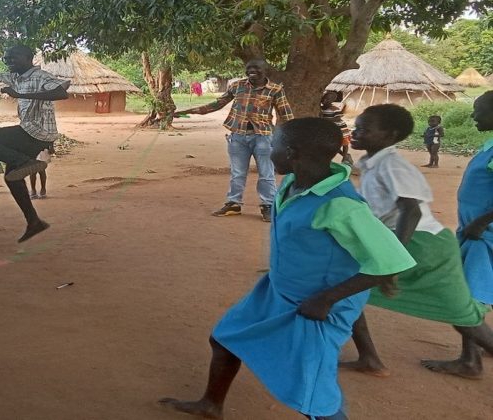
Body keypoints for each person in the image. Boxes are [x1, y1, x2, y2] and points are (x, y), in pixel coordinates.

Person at [160, 118, 415, 420]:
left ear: (292, 152)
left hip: (314, 306)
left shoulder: (340, 204)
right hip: (278, 290)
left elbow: (393, 261)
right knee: (225, 338)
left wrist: (326, 299)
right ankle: (211, 405)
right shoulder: (294, 184)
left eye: (273, 146)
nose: (269, 152)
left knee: (313, 395)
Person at [343, 104, 493, 379]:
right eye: (356, 127)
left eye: (364, 129)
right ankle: (369, 357)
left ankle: (370, 358)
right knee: (344, 287)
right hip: (416, 243)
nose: (356, 132)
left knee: (463, 312)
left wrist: (393, 261)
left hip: (422, 244)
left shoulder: (393, 165)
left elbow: (410, 210)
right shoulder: (375, 164)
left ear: (390, 134)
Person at [0, 45, 70, 243]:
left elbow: (60, 93)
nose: (8, 60)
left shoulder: (41, 77)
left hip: (36, 131)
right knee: (12, 178)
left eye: (13, 57)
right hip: (30, 131)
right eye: (6, 58)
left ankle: (24, 161)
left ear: (29, 57)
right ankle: (34, 221)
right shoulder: (15, 77)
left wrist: (19, 95)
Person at [175, 60, 294, 222]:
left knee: (267, 174)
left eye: (256, 69)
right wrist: (187, 112)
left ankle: (268, 206)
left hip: (264, 138)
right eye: (249, 69)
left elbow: (286, 115)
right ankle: (233, 204)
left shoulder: (275, 90)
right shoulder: (237, 86)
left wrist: (289, 138)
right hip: (238, 136)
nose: (252, 71)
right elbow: (216, 104)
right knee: (237, 173)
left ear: (265, 71)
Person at [458, 92, 493, 317]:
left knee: (469, 295)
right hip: (476, 229)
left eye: (479, 110)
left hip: (482, 233)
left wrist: (481, 222)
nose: (473, 115)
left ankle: (471, 352)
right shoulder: (489, 146)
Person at [319, 91, 353, 166]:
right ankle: (346, 155)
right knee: (334, 145)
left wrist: (325, 119)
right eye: (324, 98)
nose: (325, 100)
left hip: (340, 128)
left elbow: (338, 119)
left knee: (344, 143)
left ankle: (344, 159)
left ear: (332, 101)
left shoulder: (334, 108)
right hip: (331, 129)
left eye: (328, 99)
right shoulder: (320, 108)